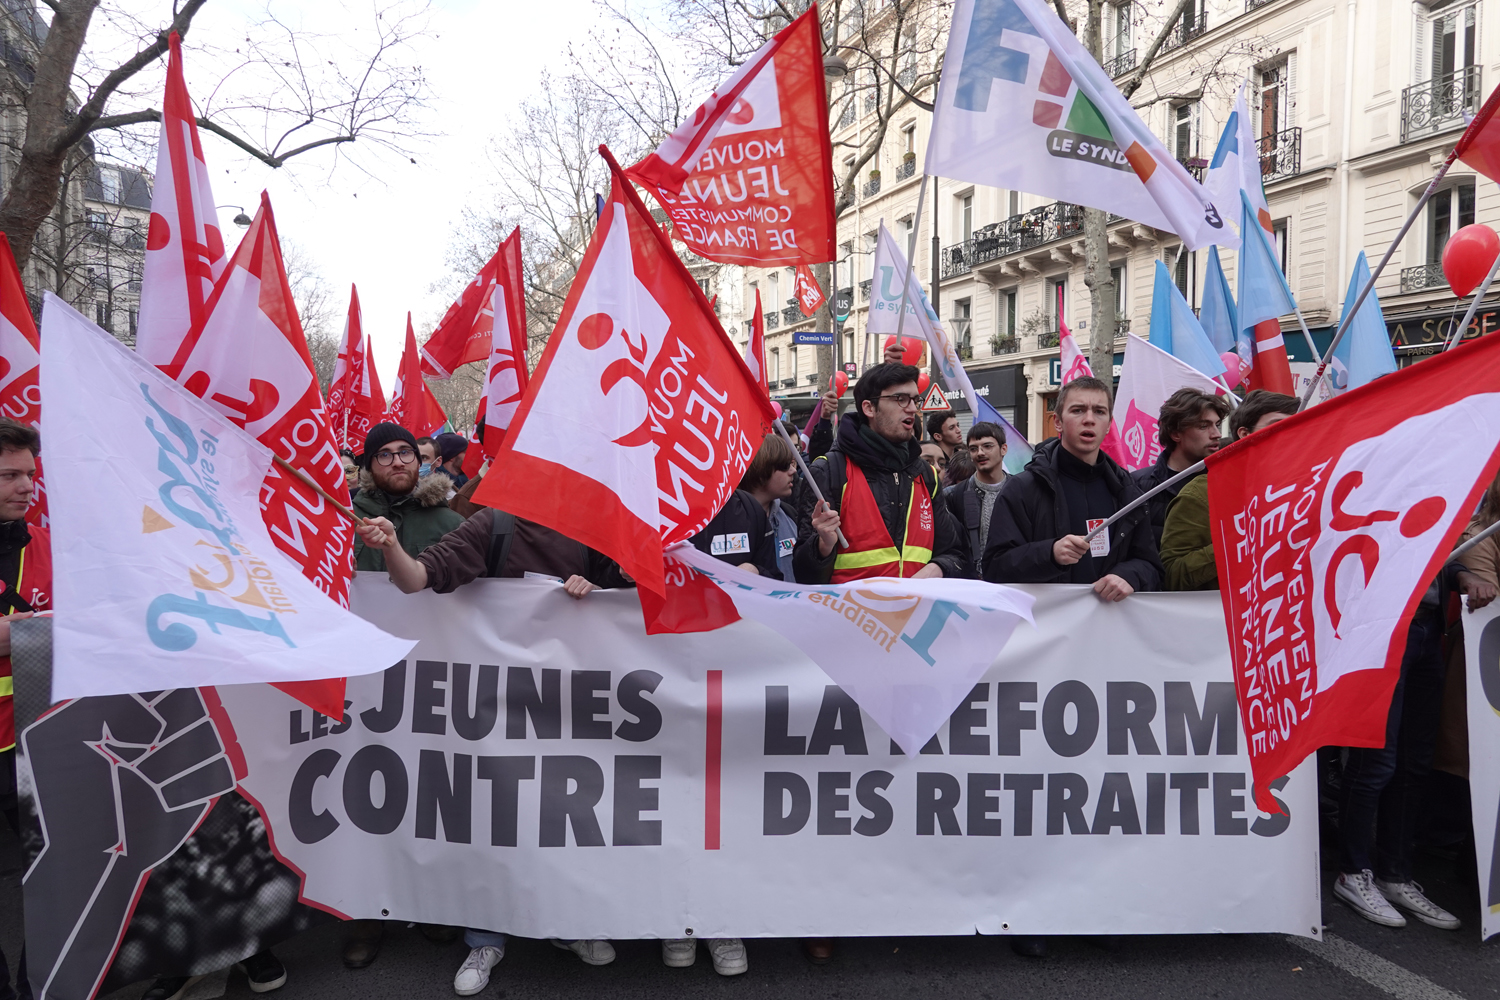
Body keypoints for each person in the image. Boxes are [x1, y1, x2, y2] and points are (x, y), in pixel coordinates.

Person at [354, 509, 749, 981]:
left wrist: (602, 587)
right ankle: (485, 941)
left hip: (569, 711)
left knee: (568, 818)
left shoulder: (590, 526)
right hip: (499, 708)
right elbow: (416, 579)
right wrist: (392, 547)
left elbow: (622, 600)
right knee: (495, 817)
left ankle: (568, 923)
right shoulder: (492, 526)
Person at [982, 376, 1160, 601]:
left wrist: (1129, 576)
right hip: (1046, 628)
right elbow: (994, 568)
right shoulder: (1022, 489)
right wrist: (1050, 553)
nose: (1089, 419)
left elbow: (1150, 565)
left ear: (1109, 424)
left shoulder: (1127, 490)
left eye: (1099, 411)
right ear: (1058, 422)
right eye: (1078, 410)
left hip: (1112, 627)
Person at [793, 364, 969, 588]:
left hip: (915, 618)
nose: (912, 409)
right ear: (869, 408)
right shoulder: (829, 472)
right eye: (901, 399)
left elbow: (953, 553)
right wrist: (822, 547)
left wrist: (939, 567)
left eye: (915, 400)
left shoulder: (926, 475)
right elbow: (803, 576)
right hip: (852, 619)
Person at [1159, 390, 1298, 591]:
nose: (1289, 434)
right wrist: (1245, 541)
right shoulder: (1202, 494)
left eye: (1297, 425)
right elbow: (1173, 574)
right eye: (1277, 425)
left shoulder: (1306, 486)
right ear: (1245, 434)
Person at [0, 421, 46, 1000]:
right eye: (9, 475)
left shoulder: (48, 548)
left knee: (50, 873)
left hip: (36, 740)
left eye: (30, 475)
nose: (25, 486)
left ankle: (38, 985)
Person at [350, 424, 463, 577]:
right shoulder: (344, 519)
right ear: (369, 466)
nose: (398, 462)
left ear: (418, 461)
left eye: (405, 452)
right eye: (384, 455)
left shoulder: (453, 525)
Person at [1130, 389, 1230, 547]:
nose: (1216, 434)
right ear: (1175, 433)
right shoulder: (1138, 485)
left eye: (1217, 425)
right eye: (1204, 426)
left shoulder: (1228, 482)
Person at [942, 422, 1008, 567]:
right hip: (969, 583)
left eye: (987, 446)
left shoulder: (1021, 490)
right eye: (973, 448)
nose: (980, 453)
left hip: (1012, 582)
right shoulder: (952, 495)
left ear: (1003, 449)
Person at [739, 433, 800, 581]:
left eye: (792, 464)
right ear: (761, 469)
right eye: (785, 466)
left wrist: (822, 548)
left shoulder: (788, 514)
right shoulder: (728, 523)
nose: (793, 471)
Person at [690, 488, 782, 578]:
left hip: (739, 592)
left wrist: (756, 570)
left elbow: (773, 576)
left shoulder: (748, 506)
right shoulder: (676, 512)